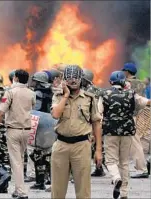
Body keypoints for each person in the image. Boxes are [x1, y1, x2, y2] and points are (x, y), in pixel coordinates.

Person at [50, 64, 102, 199]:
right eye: (69, 78)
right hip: (61, 145)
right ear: (64, 79)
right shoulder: (58, 96)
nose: (72, 81)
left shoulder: (89, 98)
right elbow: (55, 114)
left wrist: (98, 150)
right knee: (57, 190)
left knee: (83, 189)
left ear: (81, 79)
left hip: (82, 145)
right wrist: (66, 95)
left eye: (76, 78)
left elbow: (96, 123)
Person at [99, 71, 151, 199]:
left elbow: (98, 114)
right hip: (127, 132)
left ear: (111, 82)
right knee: (124, 162)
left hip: (110, 132)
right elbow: (146, 102)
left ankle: (116, 178)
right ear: (124, 82)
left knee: (111, 160)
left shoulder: (104, 94)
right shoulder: (131, 94)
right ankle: (124, 193)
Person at [0, 69, 36, 199]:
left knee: (16, 162)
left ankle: (21, 192)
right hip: (27, 130)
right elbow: (31, 107)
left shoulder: (10, 92)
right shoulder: (31, 93)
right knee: (20, 160)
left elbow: (1, 113)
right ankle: (17, 189)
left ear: (15, 78)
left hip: (13, 130)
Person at [122, 62, 149, 178]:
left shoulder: (126, 84)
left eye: (124, 71)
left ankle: (142, 168)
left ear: (127, 72)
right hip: (141, 114)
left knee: (134, 141)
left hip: (129, 115)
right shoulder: (142, 84)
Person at [28, 71, 52, 190]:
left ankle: (40, 181)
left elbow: (35, 109)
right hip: (50, 125)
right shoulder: (52, 92)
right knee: (48, 153)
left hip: (39, 125)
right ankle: (48, 178)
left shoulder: (37, 93)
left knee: (37, 154)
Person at [81, 68, 106, 177]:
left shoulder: (87, 91)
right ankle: (99, 168)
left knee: (89, 145)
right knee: (98, 144)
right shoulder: (99, 90)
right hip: (99, 119)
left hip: (92, 120)